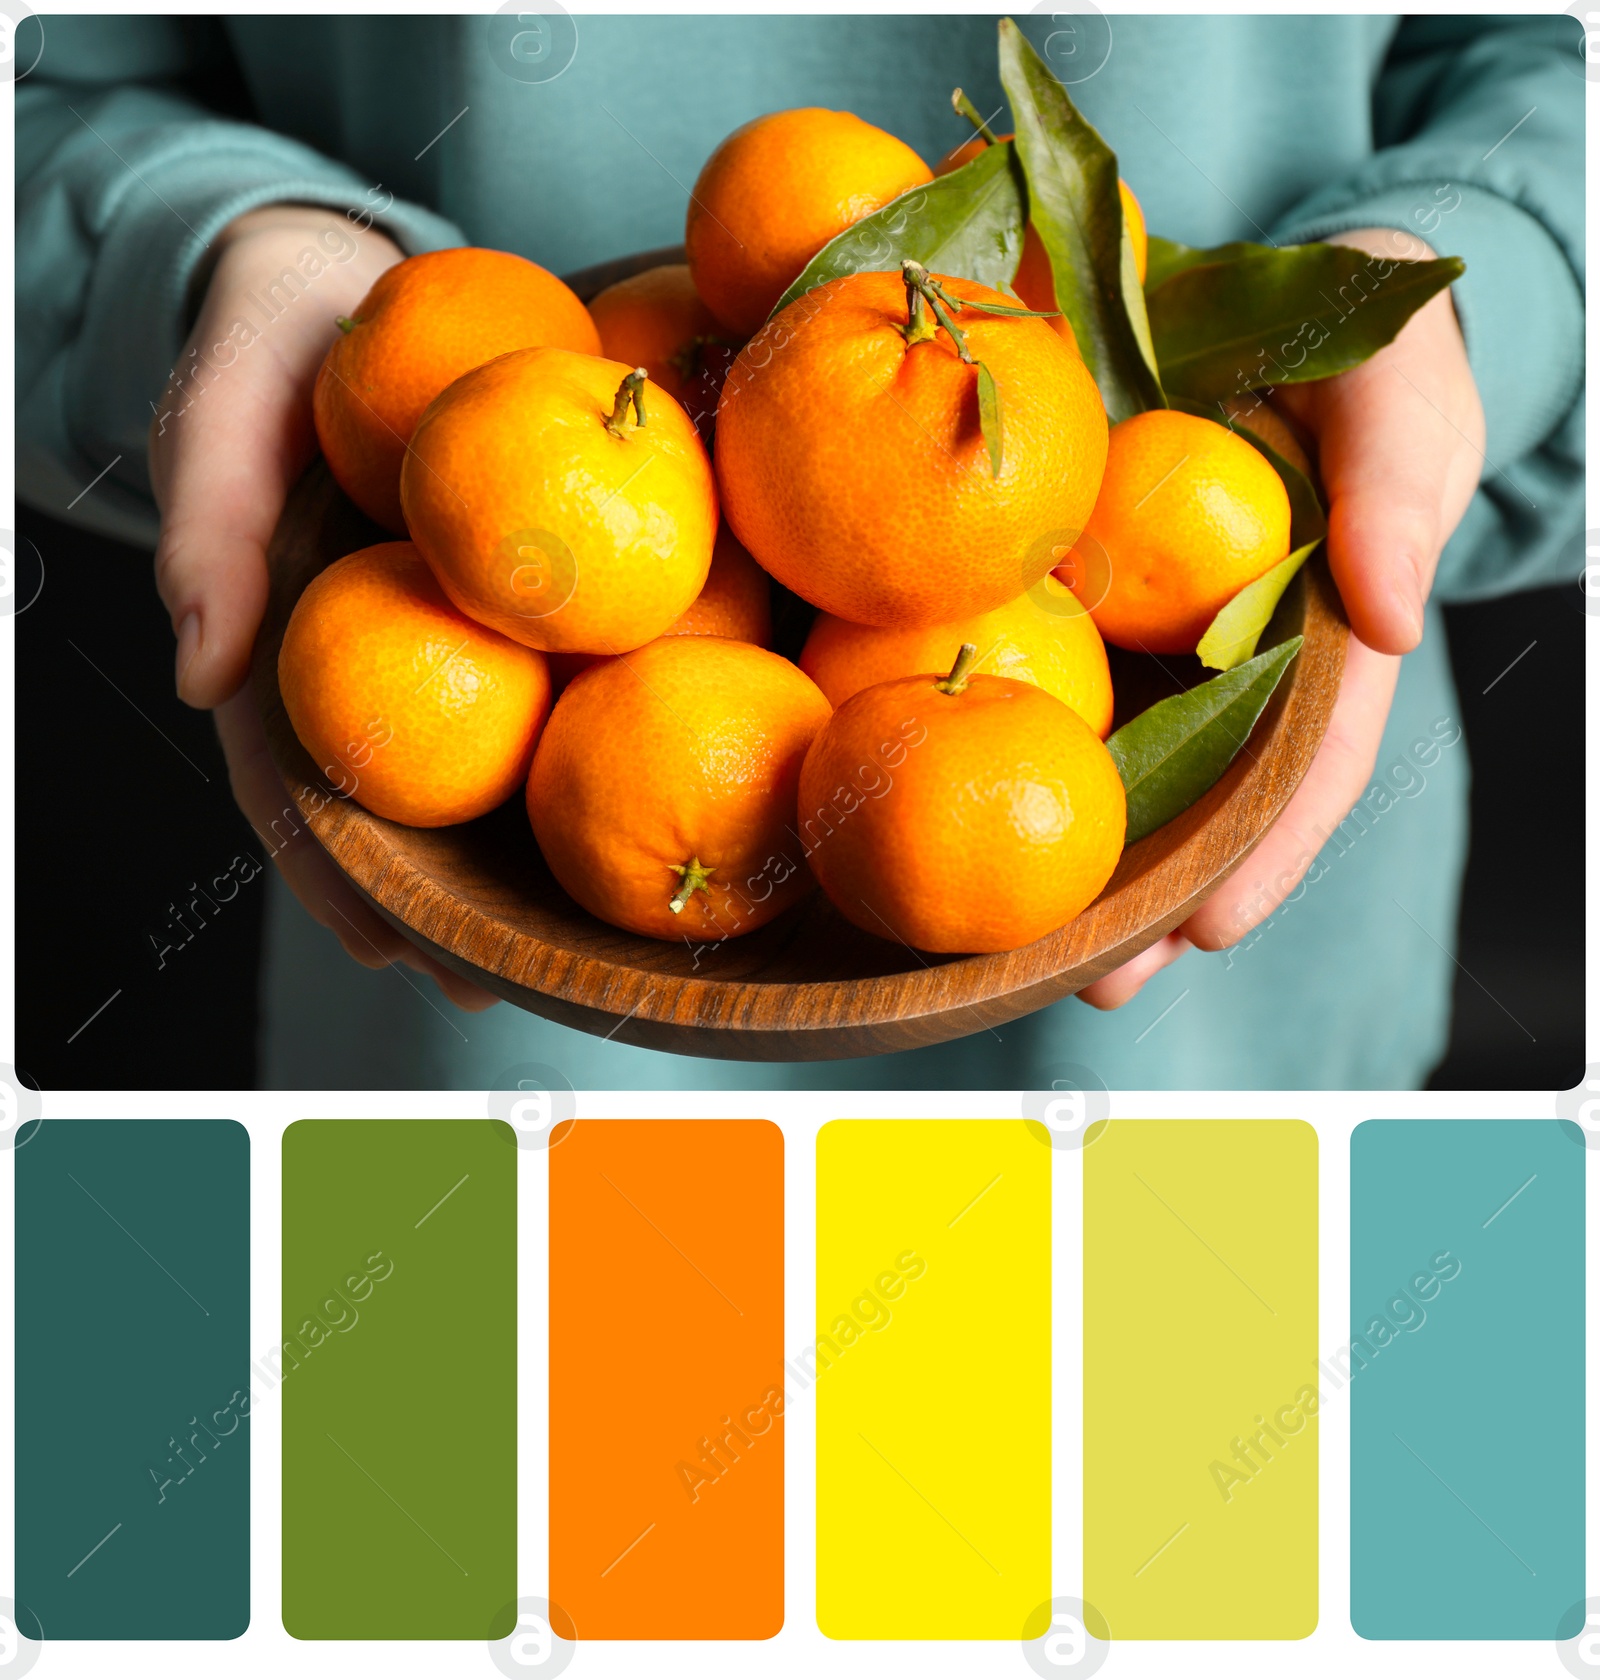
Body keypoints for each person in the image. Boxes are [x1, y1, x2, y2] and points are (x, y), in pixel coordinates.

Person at [19, 13, 1583, 1090]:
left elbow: (1543, 57)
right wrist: (206, 255)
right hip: (494, 1088)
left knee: (1204, 1546)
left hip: (1220, 1075)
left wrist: (1470, 285)